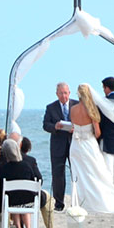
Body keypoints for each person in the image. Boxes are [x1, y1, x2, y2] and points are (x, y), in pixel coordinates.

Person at [67, 84, 114, 213]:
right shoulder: (91, 109)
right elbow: (97, 132)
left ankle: (80, 201)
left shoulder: (72, 109)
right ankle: (101, 201)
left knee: (78, 174)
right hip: (88, 143)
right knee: (97, 173)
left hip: (76, 144)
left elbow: (73, 126)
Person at [42, 82, 77, 212]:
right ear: (57, 94)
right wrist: (54, 127)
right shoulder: (51, 107)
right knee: (58, 174)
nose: (63, 96)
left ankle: (76, 200)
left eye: (65, 93)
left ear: (69, 93)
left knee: (77, 173)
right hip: (58, 144)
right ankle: (59, 202)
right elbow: (45, 125)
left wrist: (76, 129)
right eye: (61, 93)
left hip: (74, 142)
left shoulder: (77, 105)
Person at [18, 136, 59, 228]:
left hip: (11, 198)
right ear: (28, 149)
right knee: (48, 198)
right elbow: (39, 180)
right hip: (29, 198)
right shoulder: (31, 161)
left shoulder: (8, 161)